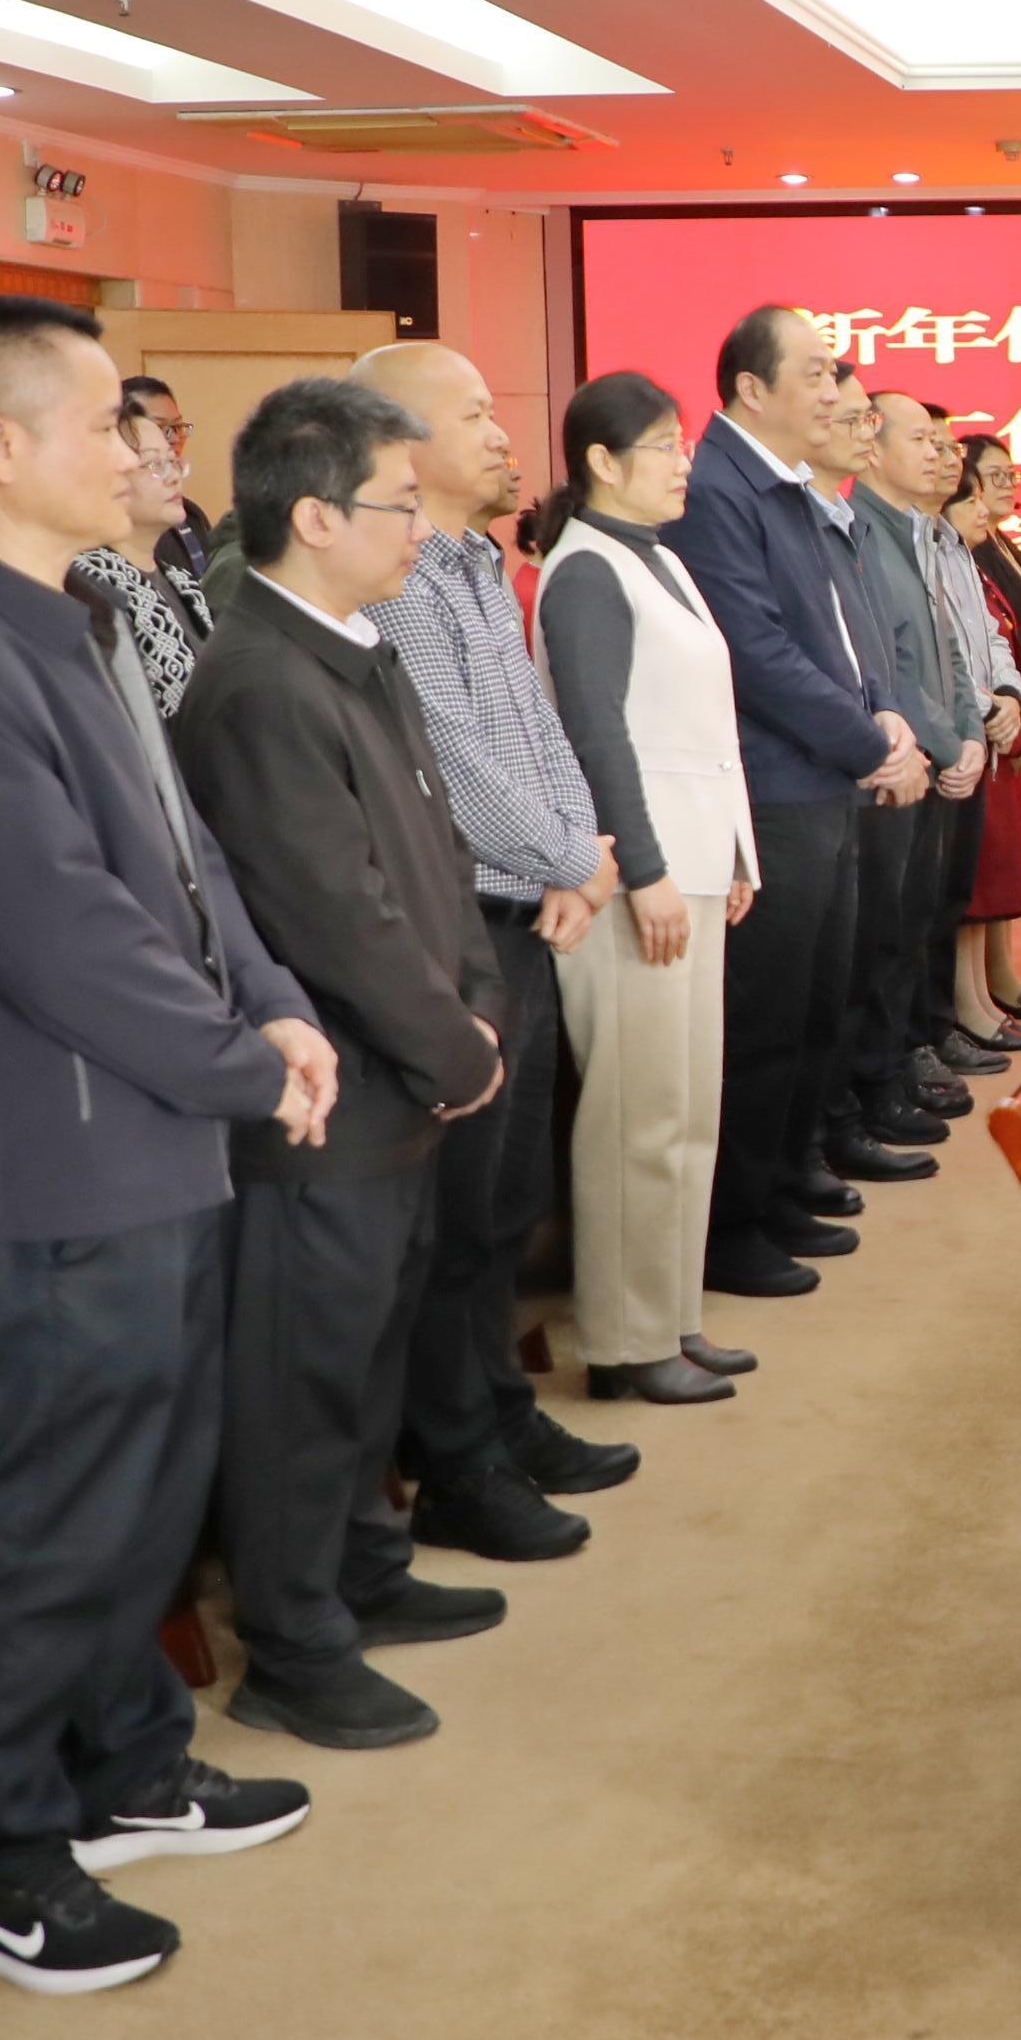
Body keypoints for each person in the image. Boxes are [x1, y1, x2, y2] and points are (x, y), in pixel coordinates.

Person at [0, 295, 331, 1995]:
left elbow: (190, 861)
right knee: (46, 1509)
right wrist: (238, 1063)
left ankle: (124, 1764)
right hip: (50, 1157)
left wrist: (274, 1006)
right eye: (108, 421)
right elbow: (56, 930)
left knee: (145, 1484)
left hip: (156, 1131)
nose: (140, 451)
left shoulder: (81, 615)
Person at [168, 377, 512, 1755]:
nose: (419, 529)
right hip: (331, 1097)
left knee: (368, 1355)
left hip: (405, 1078)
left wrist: (474, 1011)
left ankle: (364, 1567)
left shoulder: (353, 648)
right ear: (314, 516)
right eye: (397, 504)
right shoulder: (257, 680)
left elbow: (436, 856)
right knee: (302, 1378)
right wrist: (450, 1042)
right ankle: (295, 1641)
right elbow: (332, 913)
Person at [350, 343, 641, 1546]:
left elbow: (535, 727)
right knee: (461, 1209)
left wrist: (581, 851)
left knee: (510, 1196)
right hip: (464, 917)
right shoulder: (397, 579)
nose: (502, 432)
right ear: (399, 441)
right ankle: (457, 1457)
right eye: (472, 413)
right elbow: (452, 762)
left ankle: (503, 1417)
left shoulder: (475, 561)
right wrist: (571, 859)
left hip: (533, 903)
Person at [660, 310, 930, 1273]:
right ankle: (736, 1226)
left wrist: (884, 716)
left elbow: (844, 634)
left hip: (825, 780)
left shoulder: (786, 486)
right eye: (814, 373)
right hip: (776, 789)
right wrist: (871, 745)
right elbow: (757, 653)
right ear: (751, 388)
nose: (833, 389)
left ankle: (782, 1182)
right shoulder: (717, 490)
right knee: (766, 1019)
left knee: (817, 1005)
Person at [533, 372, 765, 1404]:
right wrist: (649, 868)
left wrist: (737, 853)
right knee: (636, 1115)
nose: (683, 464)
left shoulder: (658, 556)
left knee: (686, 1109)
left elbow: (704, 725)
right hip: (643, 881)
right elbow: (598, 732)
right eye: (666, 446)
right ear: (601, 461)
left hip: (696, 866)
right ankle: (624, 1340)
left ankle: (672, 1315)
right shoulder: (586, 570)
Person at [848, 388, 1005, 1129]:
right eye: (922, 440)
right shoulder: (862, 533)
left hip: (944, 752)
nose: (942, 455)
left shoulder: (921, 533)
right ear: (873, 448)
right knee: (888, 936)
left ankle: (910, 1052)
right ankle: (889, 1071)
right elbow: (893, 669)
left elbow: (950, 649)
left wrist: (970, 731)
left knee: (925, 918)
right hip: (904, 764)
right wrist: (950, 741)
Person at [945, 434, 1021, 1043]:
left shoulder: (985, 550)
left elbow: (1008, 637)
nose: (1006, 488)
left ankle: (989, 992)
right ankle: (972, 1004)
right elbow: (957, 661)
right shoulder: (946, 554)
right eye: (992, 478)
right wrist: (1008, 720)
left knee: (997, 872)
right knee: (977, 882)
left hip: (1005, 724)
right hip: (974, 737)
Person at [72, 401, 212, 719]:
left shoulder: (182, 581)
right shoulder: (89, 582)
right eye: (153, 464)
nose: (173, 477)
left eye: (172, 461)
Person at [122, 375, 218, 593]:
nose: (174, 438)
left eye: (177, 427)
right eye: (162, 428)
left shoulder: (192, 515)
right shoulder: (98, 575)